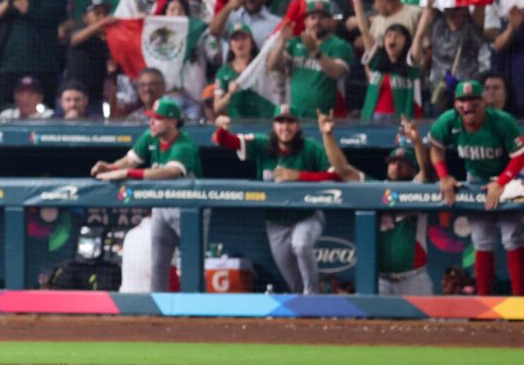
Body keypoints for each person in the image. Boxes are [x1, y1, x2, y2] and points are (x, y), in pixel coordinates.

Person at [213, 105, 338, 294]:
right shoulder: (264, 144)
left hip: (307, 216)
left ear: (298, 125)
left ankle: (313, 298)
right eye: (280, 122)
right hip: (276, 224)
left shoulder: (310, 147)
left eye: (290, 122)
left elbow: (334, 175)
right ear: (273, 125)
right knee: (293, 283)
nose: (285, 127)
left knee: (302, 244)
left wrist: (299, 176)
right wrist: (222, 129)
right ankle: (306, 311)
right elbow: (227, 141)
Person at [91, 98, 201, 292]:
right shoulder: (150, 136)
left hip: (188, 208)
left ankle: (194, 314)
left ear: (172, 122)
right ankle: (157, 312)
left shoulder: (185, 145)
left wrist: (127, 174)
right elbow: (130, 160)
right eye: (151, 118)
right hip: (161, 206)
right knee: (157, 264)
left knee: (191, 264)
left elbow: (169, 172)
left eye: (157, 119)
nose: (151, 122)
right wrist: (111, 167)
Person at [319, 111, 434, 296]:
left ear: (412, 169)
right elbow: (344, 170)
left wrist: (417, 142)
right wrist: (327, 135)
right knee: (374, 323)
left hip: (414, 278)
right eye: (393, 162)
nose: (396, 166)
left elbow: (426, 171)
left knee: (425, 325)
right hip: (380, 279)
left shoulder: (417, 188)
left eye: (403, 163)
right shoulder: (375, 188)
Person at [429, 80, 524, 296]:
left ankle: (520, 302)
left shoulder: (501, 121)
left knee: (512, 236)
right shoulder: (449, 121)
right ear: (455, 104)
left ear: (483, 102)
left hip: (510, 176)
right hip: (477, 177)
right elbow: (435, 148)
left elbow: (519, 156)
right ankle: (484, 302)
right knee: (481, 238)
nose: (467, 105)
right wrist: (444, 177)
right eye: (462, 100)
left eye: (473, 100)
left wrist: (501, 183)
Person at [267, 0, 354, 118]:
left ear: (331, 21)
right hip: (296, 114)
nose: (317, 22)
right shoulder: (295, 43)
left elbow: (337, 72)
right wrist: (282, 41)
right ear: (305, 21)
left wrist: (315, 52)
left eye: (322, 18)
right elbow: (272, 65)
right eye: (312, 17)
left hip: (328, 116)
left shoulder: (340, 46)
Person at [213, 23, 274, 119]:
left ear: (252, 43)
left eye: (243, 38)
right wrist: (230, 94)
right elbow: (217, 107)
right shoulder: (224, 72)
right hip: (237, 124)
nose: (240, 43)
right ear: (230, 45)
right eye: (235, 39)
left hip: (264, 121)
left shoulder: (262, 66)